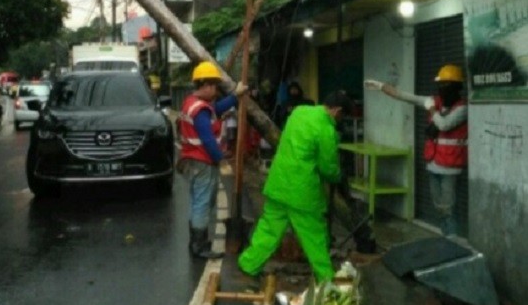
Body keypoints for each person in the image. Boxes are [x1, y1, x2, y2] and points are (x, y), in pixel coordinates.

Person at [238, 90, 353, 283]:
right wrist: (338, 176)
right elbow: (328, 168)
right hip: (302, 193)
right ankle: (326, 278)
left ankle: (248, 264)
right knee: (314, 236)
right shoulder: (326, 130)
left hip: (278, 183)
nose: (341, 120)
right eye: (343, 116)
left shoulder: (299, 112)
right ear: (337, 111)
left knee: (268, 229)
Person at [364, 64, 467, 237]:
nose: (442, 89)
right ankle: (445, 238)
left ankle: (453, 243)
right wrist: (381, 86)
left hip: (450, 166)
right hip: (434, 164)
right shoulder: (436, 102)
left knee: (448, 208)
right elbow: (404, 96)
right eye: (440, 85)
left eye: (446, 85)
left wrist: (431, 108)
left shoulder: (462, 108)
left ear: (457, 87)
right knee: (439, 208)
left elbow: (444, 124)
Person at [178, 61, 247, 259]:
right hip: (202, 161)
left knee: (197, 201)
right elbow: (208, 139)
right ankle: (199, 246)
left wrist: (235, 97)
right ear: (206, 85)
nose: (216, 90)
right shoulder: (200, 110)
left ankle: (196, 242)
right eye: (214, 86)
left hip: (192, 160)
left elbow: (216, 109)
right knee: (203, 202)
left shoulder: (192, 103)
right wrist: (221, 160)